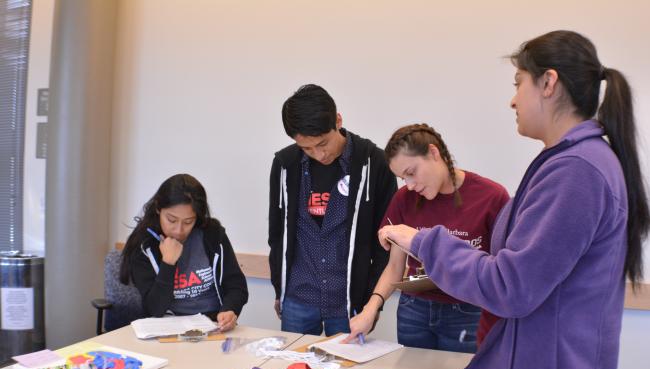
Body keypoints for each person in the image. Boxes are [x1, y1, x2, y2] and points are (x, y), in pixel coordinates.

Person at [379, 30, 649, 369]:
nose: (512, 99)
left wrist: (423, 241)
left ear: (548, 83)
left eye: (517, 83)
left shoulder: (577, 171)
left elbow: (510, 286)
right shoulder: (569, 162)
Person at [344, 124, 509, 353]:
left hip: (467, 310)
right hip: (415, 309)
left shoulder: (491, 197)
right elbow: (394, 266)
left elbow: (500, 268)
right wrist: (370, 309)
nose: (410, 185)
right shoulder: (404, 199)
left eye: (411, 173)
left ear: (434, 153)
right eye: (403, 178)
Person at [268, 84, 397, 336]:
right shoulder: (285, 164)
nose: (318, 154)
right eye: (306, 148)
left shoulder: (374, 163)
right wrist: (279, 286)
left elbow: (386, 241)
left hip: (349, 301)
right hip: (298, 297)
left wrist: (372, 301)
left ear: (338, 120)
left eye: (323, 143)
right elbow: (277, 231)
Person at [119, 173, 248, 331]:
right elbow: (154, 309)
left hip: (212, 325)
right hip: (166, 328)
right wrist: (168, 263)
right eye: (171, 220)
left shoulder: (213, 235)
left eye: (188, 222)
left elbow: (237, 286)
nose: (179, 230)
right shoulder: (143, 245)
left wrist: (230, 309)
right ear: (159, 208)